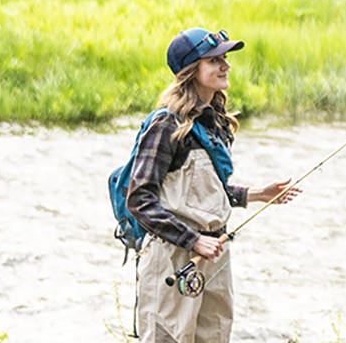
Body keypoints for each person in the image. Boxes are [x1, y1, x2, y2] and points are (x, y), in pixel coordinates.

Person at [127, 27, 303, 343]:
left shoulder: (214, 122)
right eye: (214, 61)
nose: (226, 66)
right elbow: (138, 200)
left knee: (216, 337)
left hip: (213, 254)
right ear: (191, 72)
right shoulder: (165, 125)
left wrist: (256, 195)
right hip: (173, 257)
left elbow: (200, 191)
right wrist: (192, 239)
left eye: (224, 58)